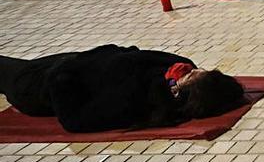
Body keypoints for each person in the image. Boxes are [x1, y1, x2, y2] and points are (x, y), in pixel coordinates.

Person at [0, 44, 244, 133]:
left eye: (192, 74)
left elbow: (75, 121)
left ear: (182, 93)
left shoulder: (134, 99)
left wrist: (61, 76)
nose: (191, 67)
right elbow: (142, 55)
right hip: (69, 63)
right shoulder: (170, 73)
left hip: (39, 85)